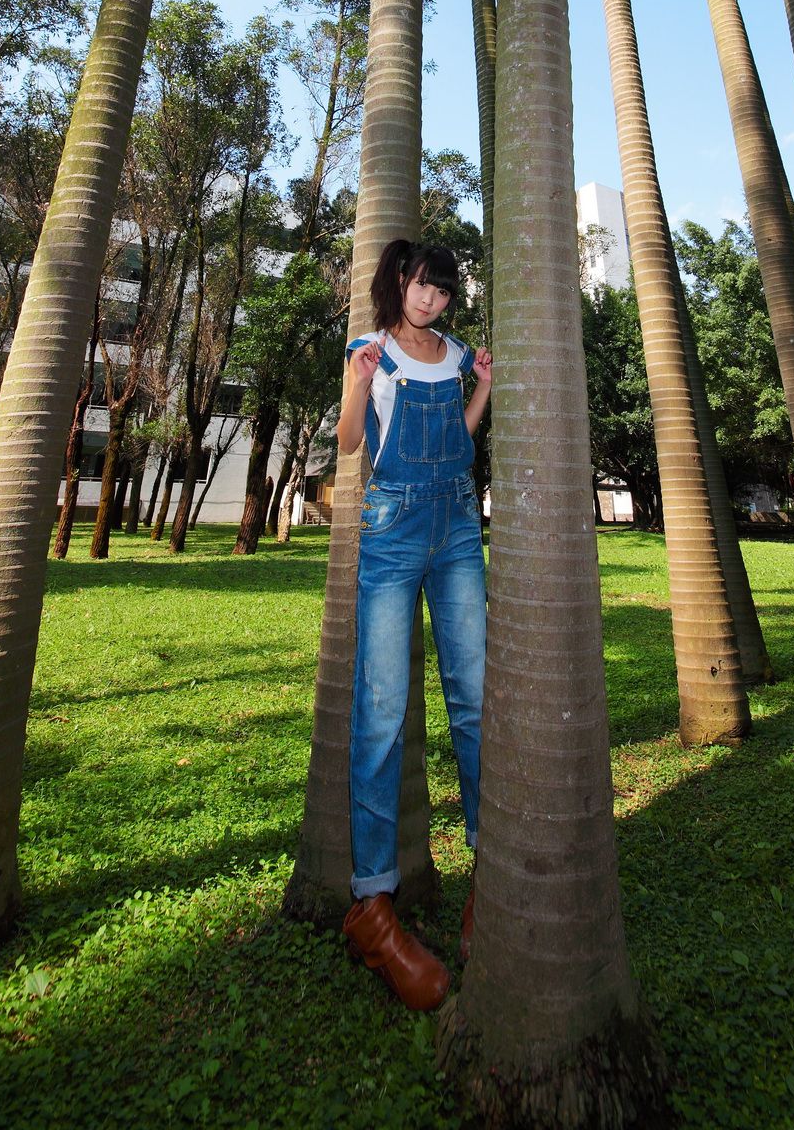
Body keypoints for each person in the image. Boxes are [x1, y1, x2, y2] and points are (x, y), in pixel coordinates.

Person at [337, 238, 492, 1010]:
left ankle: (486, 883)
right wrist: (361, 385)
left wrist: (485, 391)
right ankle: (372, 908)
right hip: (393, 532)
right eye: (423, 287)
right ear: (400, 281)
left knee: (474, 698)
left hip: (461, 527)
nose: (432, 301)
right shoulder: (368, 349)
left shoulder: (459, 354)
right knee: (382, 711)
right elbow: (349, 443)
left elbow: (461, 443)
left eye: (443, 291)